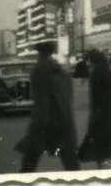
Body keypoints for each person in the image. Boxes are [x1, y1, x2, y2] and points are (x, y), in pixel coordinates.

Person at [14, 41, 80, 172]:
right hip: (64, 118)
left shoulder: (39, 71)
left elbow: (41, 100)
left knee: (31, 157)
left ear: (39, 54)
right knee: (69, 157)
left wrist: (37, 121)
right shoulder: (62, 71)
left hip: (45, 120)